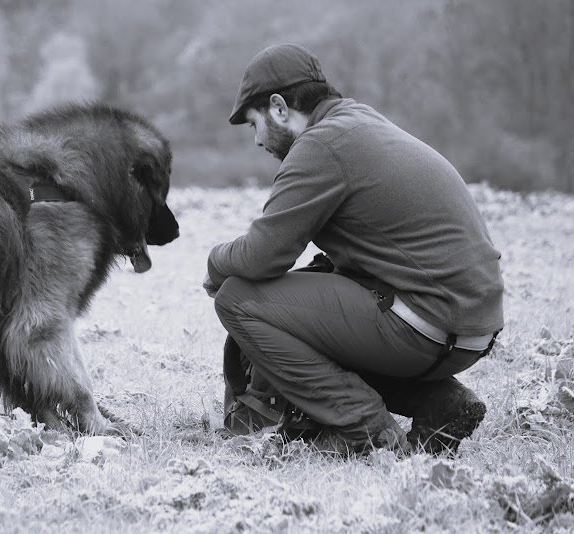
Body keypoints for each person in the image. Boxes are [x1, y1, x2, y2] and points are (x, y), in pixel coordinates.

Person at [203, 44, 504, 455]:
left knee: (238, 299)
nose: (256, 140)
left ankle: (360, 425)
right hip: (471, 328)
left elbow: (262, 256)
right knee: (315, 293)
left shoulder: (320, 146)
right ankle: (440, 403)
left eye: (254, 123)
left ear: (278, 107)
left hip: (428, 324)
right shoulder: (359, 123)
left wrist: (214, 262)